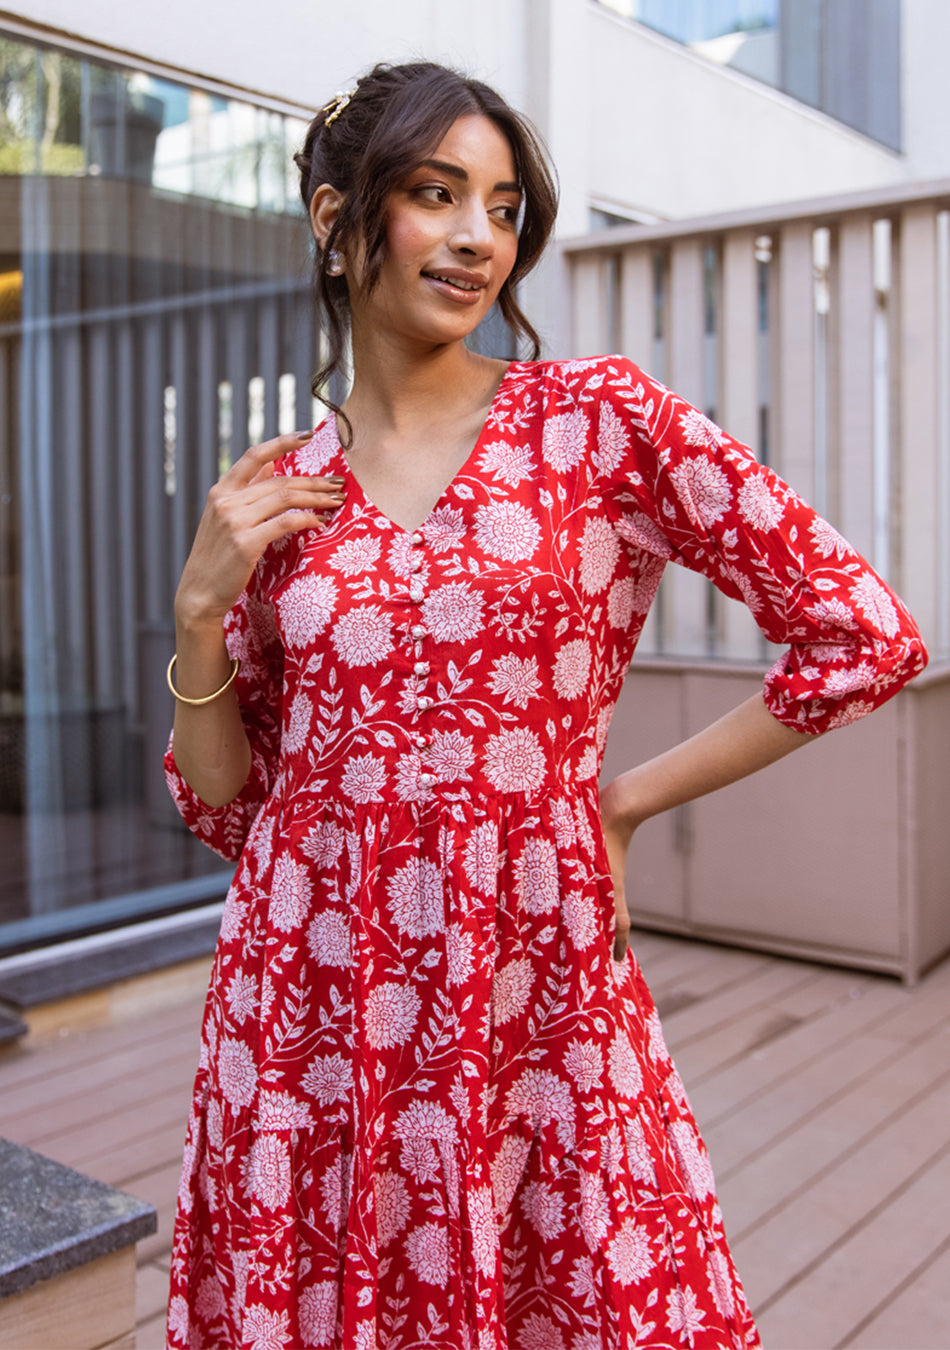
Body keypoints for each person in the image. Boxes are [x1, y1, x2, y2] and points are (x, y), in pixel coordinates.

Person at [162, 61, 927, 1350]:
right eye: (434, 193)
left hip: (528, 968)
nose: (476, 238)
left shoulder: (595, 422)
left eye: (504, 207)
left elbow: (861, 636)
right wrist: (199, 614)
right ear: (336, 218)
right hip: (307, 1003)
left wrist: (619, 803)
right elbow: (226, 802)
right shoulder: (280, 489)